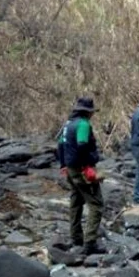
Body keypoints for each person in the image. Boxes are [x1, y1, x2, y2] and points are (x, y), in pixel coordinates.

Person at [57, 97, 106, 255]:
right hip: (81, 169)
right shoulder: (83, 124)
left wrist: (63, 165)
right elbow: (82, 144)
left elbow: (60, 145)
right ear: (88, 112)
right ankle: (89, 243)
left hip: (70, 169)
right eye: (91, 112)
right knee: (96, 204)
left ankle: (75, 238)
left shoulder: (68, 124)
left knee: (76, 202)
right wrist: (91, 162)